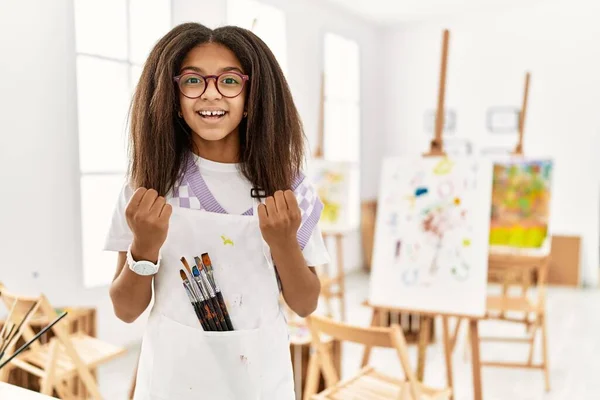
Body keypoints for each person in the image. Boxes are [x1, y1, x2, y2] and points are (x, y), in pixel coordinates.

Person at [104, 22, 330, 400]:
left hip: (257, 379)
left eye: (229, 81)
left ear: (253, 94)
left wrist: (284, 243)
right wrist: (144, 247)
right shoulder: (148, 187)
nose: (211, 95)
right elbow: (126, 311)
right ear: (172, 95)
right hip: (174, 379)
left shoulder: (289, 189)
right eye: (193, 81)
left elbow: (305, 303)